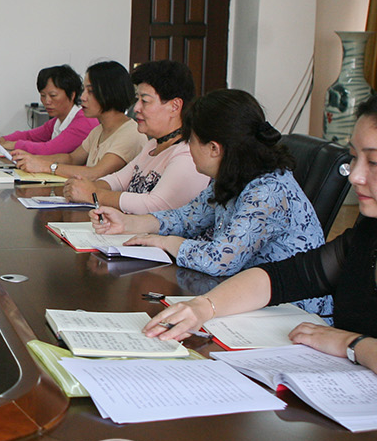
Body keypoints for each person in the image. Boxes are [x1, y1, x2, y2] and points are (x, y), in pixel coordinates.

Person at [145, 85, 377, 408]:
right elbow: (282, 277)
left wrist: (351, 344)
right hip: (354, 410)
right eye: (354, 158)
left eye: (375, 162)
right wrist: (203, 307)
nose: (355, 175)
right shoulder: (376, 231)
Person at [90, 89, 331, 318]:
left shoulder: (267, 191)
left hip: (292, 313)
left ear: (214, 148)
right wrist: (129, 223)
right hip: (247, 299)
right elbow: (186, 218)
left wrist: (166, 242)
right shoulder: (232, 174)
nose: (188, 148)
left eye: (191, 140)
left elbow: (220, 259)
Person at [64, 59, 208, 213]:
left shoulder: (187, 154)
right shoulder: (152, 145)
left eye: (145, 101)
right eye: (137, 99)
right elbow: (118, 180)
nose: (136, 108)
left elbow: (153, 204)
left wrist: (93, 194)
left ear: (175, 106)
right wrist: (85, 187)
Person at [15, 60, 147, 180]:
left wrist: (45, 166)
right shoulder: (98, 130)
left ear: (110, 92)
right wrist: (33, 159)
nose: (83, 97)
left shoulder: (130, 134)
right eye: (84, 90)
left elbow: (95, 173)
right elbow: (72, 158)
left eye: (90, 91)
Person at [0, 65, 97, 156]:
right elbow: (30, 136)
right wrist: (1, 140)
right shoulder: (58, 121)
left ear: (72, 95)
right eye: (43, 95)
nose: (47, 101)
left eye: (53, 95)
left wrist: (14, 145)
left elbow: (50, 149)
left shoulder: (83, 121)